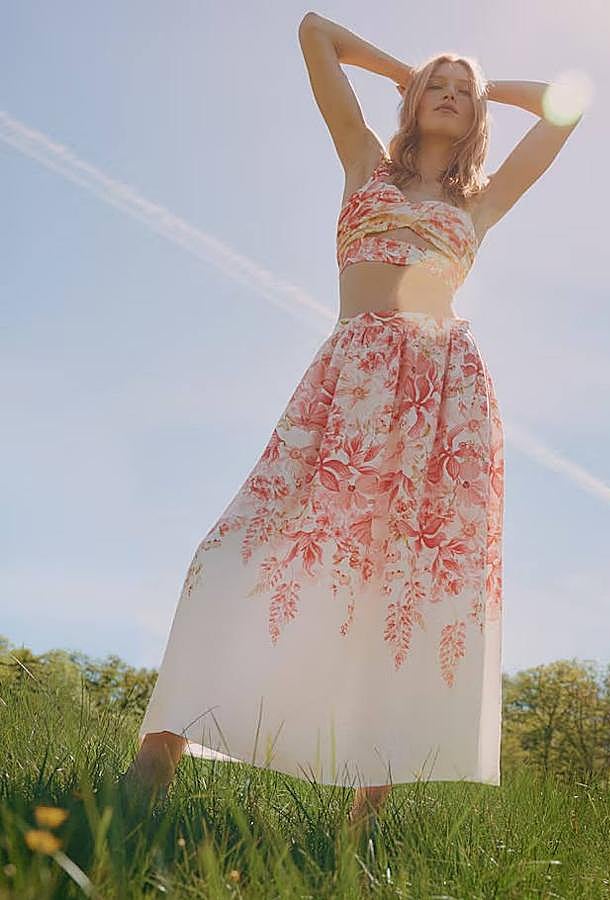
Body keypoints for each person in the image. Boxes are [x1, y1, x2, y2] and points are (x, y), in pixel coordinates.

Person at [122, 12, 582, 829]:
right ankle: (159, 755)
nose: (446, 97)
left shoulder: (479, 201)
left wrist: (484, 87)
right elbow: (315, 32)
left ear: (476, 116)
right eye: (434, 89)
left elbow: (563, 107)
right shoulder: (364, 162)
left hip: (446, 401)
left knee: (411, 590)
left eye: (459, 94)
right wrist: (415, 73)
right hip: (349, 382)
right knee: (235, 552)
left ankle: (360, 826)